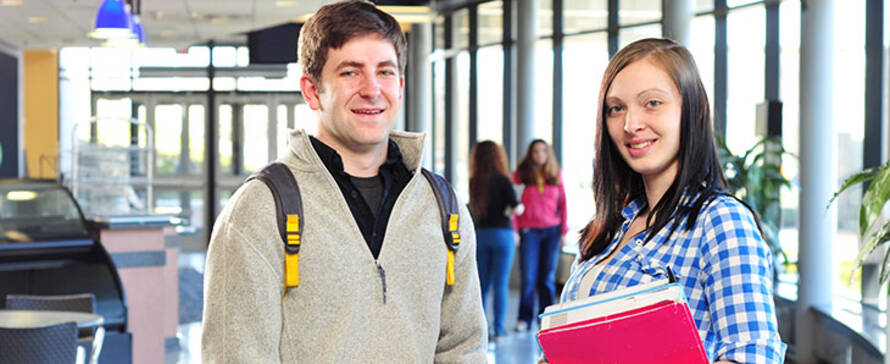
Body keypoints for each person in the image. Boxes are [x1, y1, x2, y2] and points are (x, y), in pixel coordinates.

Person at [201, 1, 488, 362]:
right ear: (311, 91)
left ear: (400, 86)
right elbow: (237, 355)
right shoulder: (259, 211)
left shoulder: (441, 205)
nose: (372, 89)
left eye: (384, 72)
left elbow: (463, 346)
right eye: (351, 72)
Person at [559, 38, 786, 363]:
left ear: (693, 111)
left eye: (652, 103)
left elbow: (753, 355)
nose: (630, 124)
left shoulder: (720, 221)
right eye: (616, 108)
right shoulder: (611, 227)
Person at [468, 140, 522, 340]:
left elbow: (474, 209)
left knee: (482, 284)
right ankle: (498, 329)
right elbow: (515, 207)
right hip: (503, 234)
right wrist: (518, 208)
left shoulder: (475, 181)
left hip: (482, 235)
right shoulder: (503, 179)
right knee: (501, 284)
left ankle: (480, 330)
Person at [512, 139, 568, 331]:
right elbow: (513, 203)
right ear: (530, 154)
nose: (539, 155)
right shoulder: (521, 175)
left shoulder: (555, 174)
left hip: (552, 232)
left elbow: (563, 205)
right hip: (529, 232)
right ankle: (524, 318)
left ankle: (545, 319)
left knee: (547, 278)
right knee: (528, 278)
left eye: (543, 151)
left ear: (548, 153)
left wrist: (563, 232)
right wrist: (515, 231)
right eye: (535, 151)